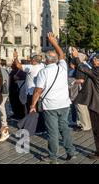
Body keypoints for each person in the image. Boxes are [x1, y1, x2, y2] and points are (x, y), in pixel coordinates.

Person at [30, 33, 77, 164]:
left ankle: (53, 157)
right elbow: (61, 55)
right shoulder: (62, 67)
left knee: (53, 132)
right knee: (65, 128)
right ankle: (71, 152)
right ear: (55, 60)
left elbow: (38, 91)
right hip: (64, 104)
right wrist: (54, 42)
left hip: (51, 106)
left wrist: (32, 105)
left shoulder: (43, 72)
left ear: (46, 60)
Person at [72, 49, 99, 160]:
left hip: (96, 105)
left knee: (97, 130)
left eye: (96, 59)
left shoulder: (97, 71)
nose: (94, 60)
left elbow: (83, 69)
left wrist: (76, 57)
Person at [15, 53, 46, 132]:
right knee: (40, 110)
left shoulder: (31, 67)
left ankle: (36, 128)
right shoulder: (42, 66)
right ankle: (41, 127)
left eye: (31, 59)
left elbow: (18, 65)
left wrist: (16, 57)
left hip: (31, 92)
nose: (30, 61)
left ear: (34, 61)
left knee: (32, 110)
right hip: (40, 92)